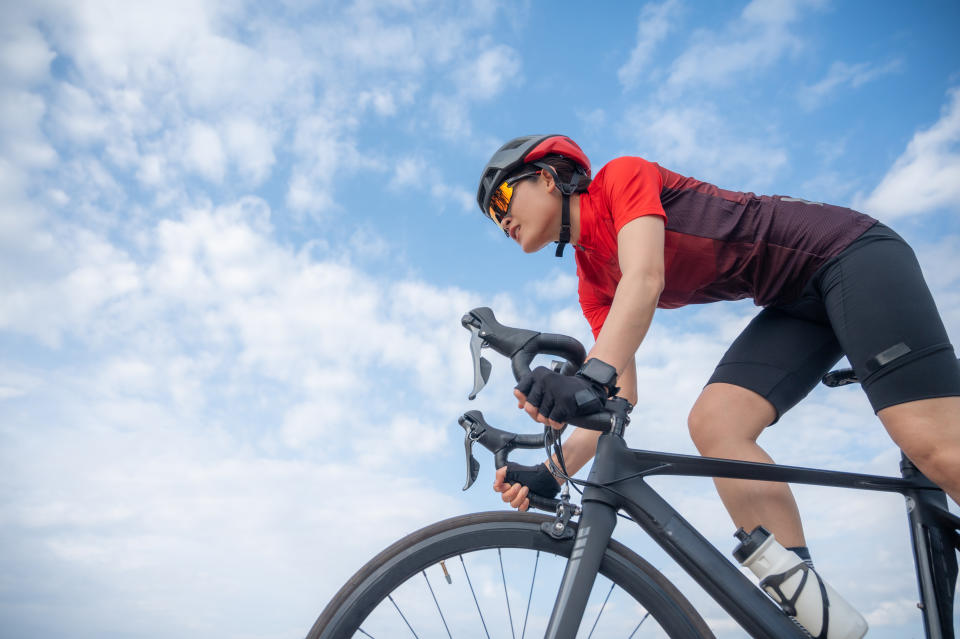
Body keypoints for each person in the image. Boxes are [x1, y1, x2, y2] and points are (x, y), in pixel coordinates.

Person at [476, 134, 960, 566]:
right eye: (493, 218)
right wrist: (549, 473)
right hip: (795, 302)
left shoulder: (620, 177)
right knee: (715, 423)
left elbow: (645, 278)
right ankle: (806, 606)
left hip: (849, 252)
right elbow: (621, 393)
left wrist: (587, 377)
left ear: (546, 178)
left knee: (930, 442)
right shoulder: (592, 282)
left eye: (501, 198)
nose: (502, 221)